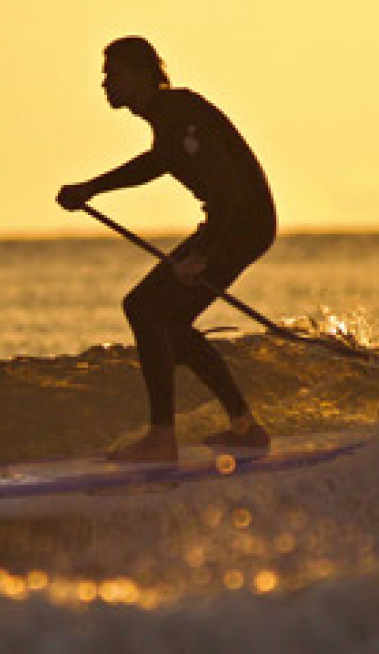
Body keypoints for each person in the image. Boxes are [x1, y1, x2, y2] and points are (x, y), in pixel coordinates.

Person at [58, 36, 278, 462]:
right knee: (167, 322)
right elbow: (156, 164)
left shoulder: (181, 114)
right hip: (231, 225)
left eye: (113, 74)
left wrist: (204, 253)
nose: (105, 84)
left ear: (142, 75)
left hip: (241, 226)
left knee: (144, 308)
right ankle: (245, 427)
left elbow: (229, 188)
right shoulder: (167, 117)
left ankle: (163, 438)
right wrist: (90, 189)